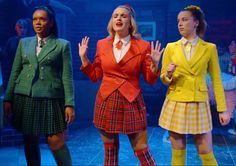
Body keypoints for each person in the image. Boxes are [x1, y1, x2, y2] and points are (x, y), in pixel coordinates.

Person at [78, 4, 163, 166]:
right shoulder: (102, 44)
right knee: (109, 151)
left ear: (130, 22)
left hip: (131, 100)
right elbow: (95, 76)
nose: (119, 18)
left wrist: (154, 66)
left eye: (123, 16)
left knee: (142, 150)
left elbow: (150, 80)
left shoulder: (143, 46)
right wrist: (84, 59)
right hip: (107, 99)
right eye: (115, 15)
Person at [158, 5, 230, 166]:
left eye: (184, 20)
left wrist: (223, 109)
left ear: (196, 22)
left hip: (199, 102)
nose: (180, 24)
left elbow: (217, 80)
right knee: (178, 152)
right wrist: (168, 73)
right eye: (178, 21)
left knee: (206, 153)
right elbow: (163, 78)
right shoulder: (171, 47)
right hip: (176, 101)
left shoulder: (209, 48)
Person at [3, 5, 75, 166]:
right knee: (29, 140)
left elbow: (67, 76)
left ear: (50, 22)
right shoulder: (24, 43)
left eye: (42, 19)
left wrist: (69, 103)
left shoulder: (62, 45)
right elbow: (15, 71)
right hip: (25, 96)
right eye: (35, 19)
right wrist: (8, 98)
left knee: (56, 141)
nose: (38, 22)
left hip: (50, 98)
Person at [1, 18, 31, 91]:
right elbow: (5, 59)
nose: (22, 30)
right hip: (12, 77)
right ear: (16, 28)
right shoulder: (11, 41)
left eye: (24, 28)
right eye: (20, 27)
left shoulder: (31, 42)